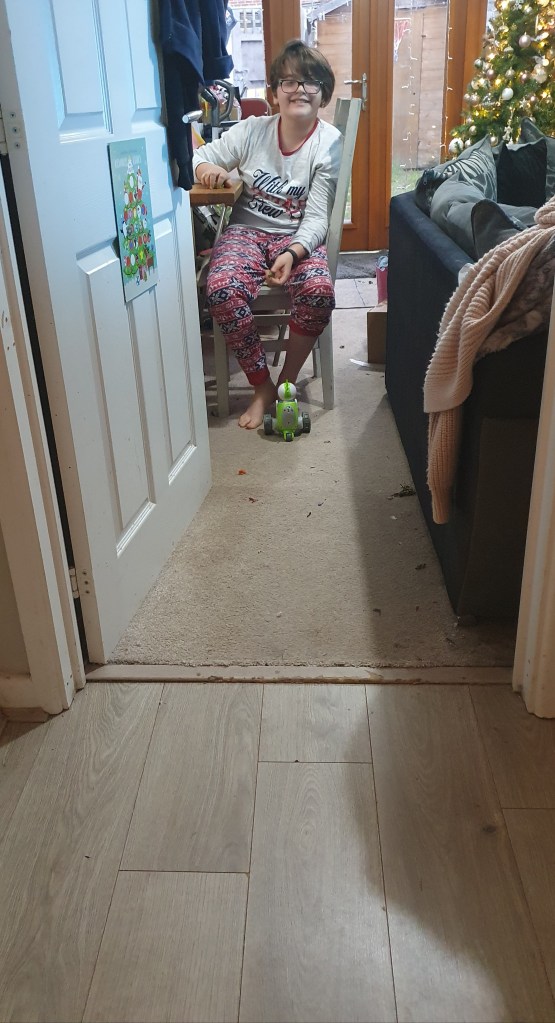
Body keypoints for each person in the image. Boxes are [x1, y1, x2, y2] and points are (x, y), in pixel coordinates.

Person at [192, 39, 343, 429]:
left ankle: (285, 385)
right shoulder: (252, 130)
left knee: (319, 292)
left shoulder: (328, 144)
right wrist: (208, 170)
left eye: (310, 81)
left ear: (323, 93)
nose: (299, 89)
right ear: (274, 92)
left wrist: (292, 254)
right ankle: (261, 386)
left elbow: (317, 219)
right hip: (246, 232)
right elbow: (200, 155)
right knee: (221, 289)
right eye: (289, 81)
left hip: (296, 237)